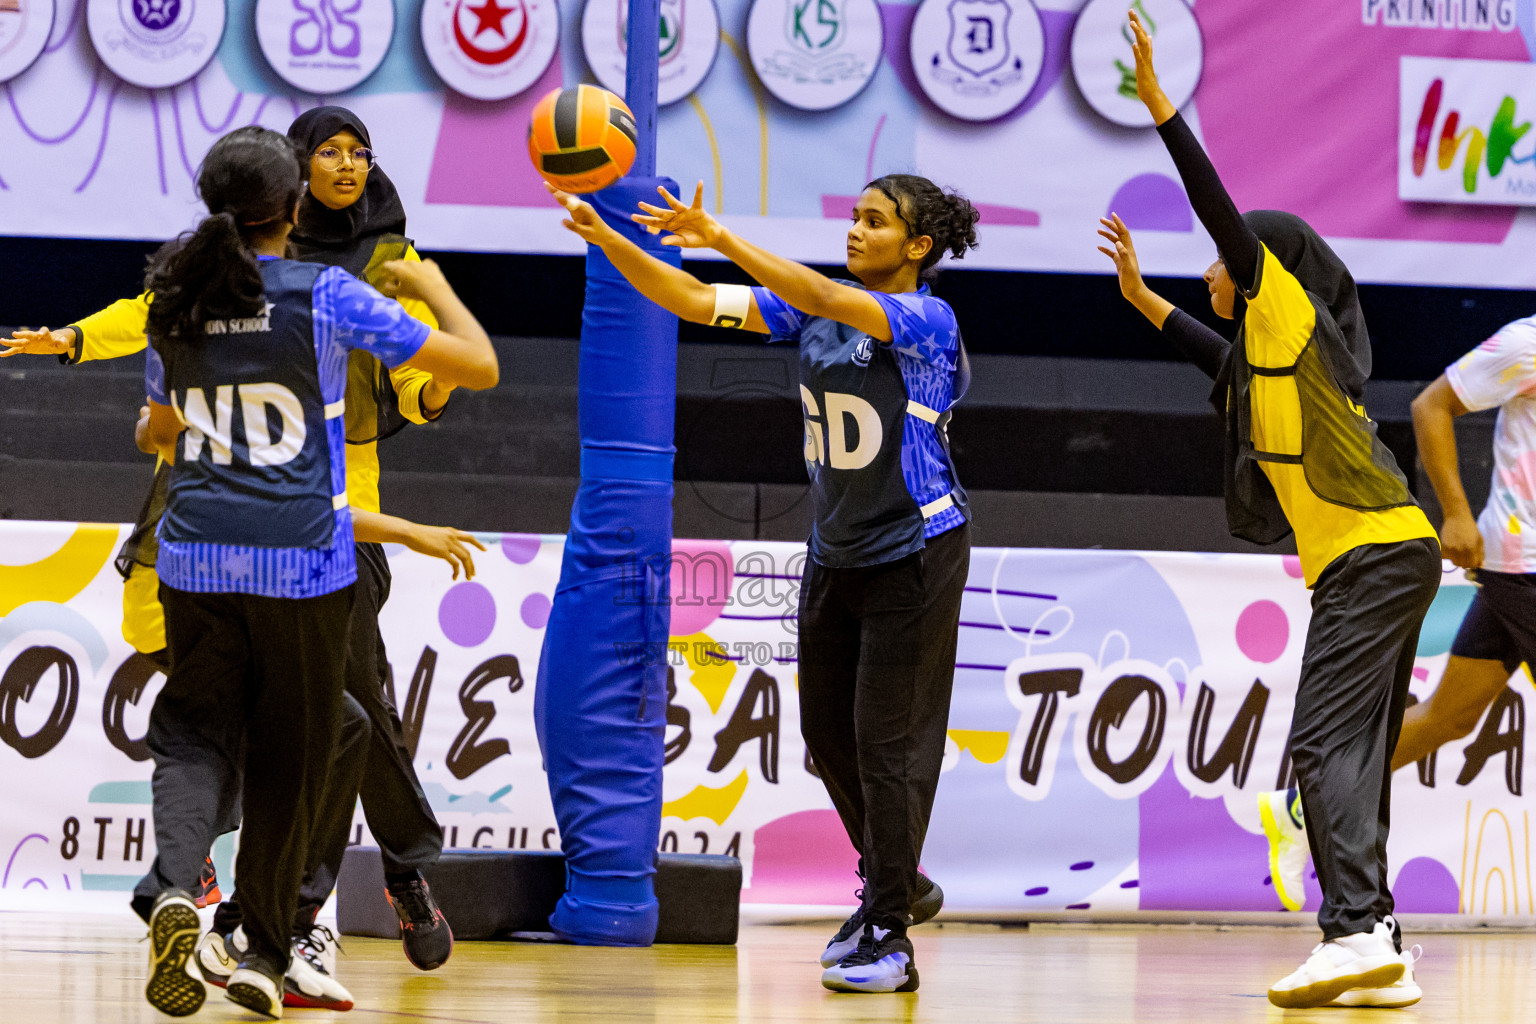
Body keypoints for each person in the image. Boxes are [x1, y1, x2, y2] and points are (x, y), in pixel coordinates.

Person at [4, 106, 470, 1000]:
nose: (347, 163)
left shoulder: (373, 268)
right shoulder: (258, 282)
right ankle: (266, 924)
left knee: (320, 719)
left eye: (359, 150)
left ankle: (265, 899)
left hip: (278, 527)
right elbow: (138, 325)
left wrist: (434, 365)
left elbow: (416, 391)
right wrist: (69, 341)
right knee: (324, 724)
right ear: (289, 187)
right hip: (292, 532)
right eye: (327, 151)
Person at [547, 173, 974, 993]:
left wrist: (718, 231)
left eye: (876, 223)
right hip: (837, 548)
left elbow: (812, 287)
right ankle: (902, 880)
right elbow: (694, 300)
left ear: (918, 248)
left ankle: (890, 933)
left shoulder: (926, 319)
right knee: (825, 737)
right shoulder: (816, 308)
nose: (855, 230)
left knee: (887, 745)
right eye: (853, 216)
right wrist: (612, 245)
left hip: (916, 547)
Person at [1096, 11, 1439, 1010]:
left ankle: (1353, 930)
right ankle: (1383, 947)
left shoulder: (1281, 300)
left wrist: (1162, 108)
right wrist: (1146, 302)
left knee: (1320, 743)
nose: (1215, 267)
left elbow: (1224, 218)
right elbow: (1219, 360)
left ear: (1269, 267)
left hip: (1373, 557)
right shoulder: (1279, 353)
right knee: (1359, 750)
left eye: (1226, 264)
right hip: (1392, 552)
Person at [136, 124, 496, 1019]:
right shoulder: (324, 294)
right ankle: (262, 941)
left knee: (196, 730)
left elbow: (155, 433)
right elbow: (477, 365)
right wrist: (431, 285)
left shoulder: (172, 302)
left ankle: (179, 890)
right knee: (303, 749)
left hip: (193, 557)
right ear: (294, 206)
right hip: (299, 563)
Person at [1258, 313, 1536, 928]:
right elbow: (1430, 407)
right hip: (1523, 567)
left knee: (1449, 718)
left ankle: (1305, 806)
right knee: (1448, 717)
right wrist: (1457, 514)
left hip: (1514, 573)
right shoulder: (1527, 344)